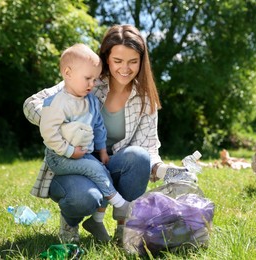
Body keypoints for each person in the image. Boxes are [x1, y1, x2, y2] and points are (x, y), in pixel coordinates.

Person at [23, 24, 189, 244]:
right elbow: (31, 104)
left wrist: (166, 171)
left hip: (110, 165)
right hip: (74, 164)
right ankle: (70, 224)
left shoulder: (145, 99)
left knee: (139, 156)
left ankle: (124, 228)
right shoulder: (89, 81)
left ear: (142, 61)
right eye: (118, 61)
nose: (125, 69)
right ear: (106, 59)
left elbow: (148, 149)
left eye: (133, 61)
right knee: (85, 198)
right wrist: (62, 124)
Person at [40, 43, 130, 242]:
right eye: (87, 78)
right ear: (68, 73)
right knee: (95, 169)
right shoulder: (57, 103)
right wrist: (69, 150)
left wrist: (102, 150)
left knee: (103, 171)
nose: (92, 84)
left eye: (94, 79)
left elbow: (98, 126)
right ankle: (119, 203)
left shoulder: (90, 101)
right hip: (60, 157)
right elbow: (49, 133)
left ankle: (96, 219)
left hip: (85, 154)